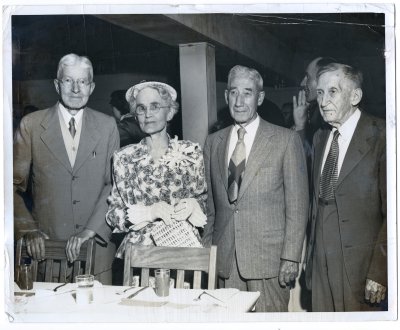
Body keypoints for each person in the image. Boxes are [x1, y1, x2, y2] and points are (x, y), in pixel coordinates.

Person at [202, 65, 309, 312]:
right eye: (234, 92)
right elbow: (211, 207)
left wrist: (291, 257)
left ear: (259, 98)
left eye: (247, 93)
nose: (239, 101)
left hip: (269, 263)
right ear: (226, 96)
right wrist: (208, 252)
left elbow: (298, 205)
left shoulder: (285, 140)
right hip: (225, 260)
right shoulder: (213, 142)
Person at [13, 53, 119, 284]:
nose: (76, 89)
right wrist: (28, 229)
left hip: (96, 250)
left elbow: (113, 184)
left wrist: (89, 231)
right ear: (56, 84)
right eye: (68, 81)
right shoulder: (31, 125)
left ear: (91, 87)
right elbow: (9, 187)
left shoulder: (108, 125)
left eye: (82, 82)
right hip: (47, 251)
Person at [305, 63, 387, 311]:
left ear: (355, 96)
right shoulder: (320, 137)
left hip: (360, 265)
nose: (323, 101)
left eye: (333, 91)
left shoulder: (382, 135)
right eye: (320, 92)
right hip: (320, 259)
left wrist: (380, 271)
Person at [106, 81, 207, 259]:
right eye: (141, 108)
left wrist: (194, 206)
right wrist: (148, 213)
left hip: (183, 253)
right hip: (139, 256)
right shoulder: (123, 158)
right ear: (135, 116)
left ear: (169, 112)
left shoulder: (191, 152)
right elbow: (113, 214)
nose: (148, 114)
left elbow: (206, 203)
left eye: (155, 106)